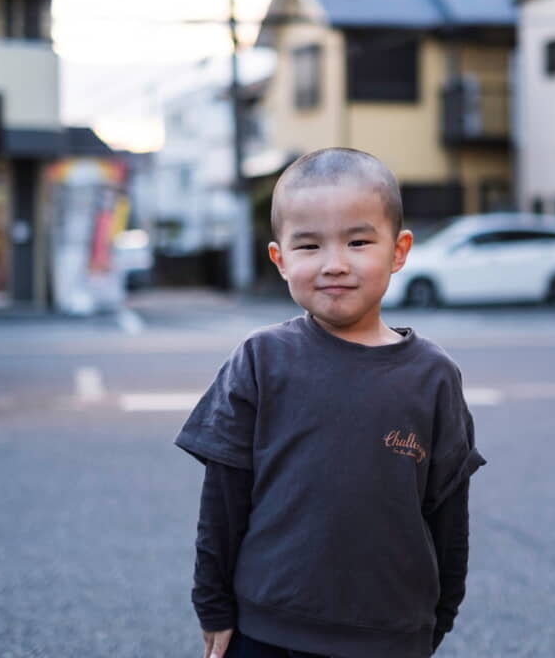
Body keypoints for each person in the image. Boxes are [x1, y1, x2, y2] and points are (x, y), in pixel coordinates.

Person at [175, 147, 486, 658]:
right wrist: (214, 606)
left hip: (390, 634)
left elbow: (449, 513)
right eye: (309, 246)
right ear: (280, 259)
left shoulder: (433, 376)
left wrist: (440, 615)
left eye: (358, 242)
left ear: (399, 251)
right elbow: (223, 502)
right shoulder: (260, 360)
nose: (334, 264)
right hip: (267, 630)